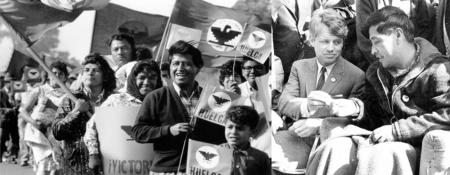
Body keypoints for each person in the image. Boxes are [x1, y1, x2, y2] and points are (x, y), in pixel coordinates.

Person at [307, 6, 450, 175]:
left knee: (380, 155)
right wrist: (351, 108)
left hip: (414, 147)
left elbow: (446, 115)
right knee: (333, 148)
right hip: (378, 141)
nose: (373, 51)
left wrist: (397, 131)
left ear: (398, 35)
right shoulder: (376, 71)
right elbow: (371, 110)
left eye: (376, 41)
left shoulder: (438, 70)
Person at [275, 8, 365, 171]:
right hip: (297, 138)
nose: (331, 48)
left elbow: (356, 119)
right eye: (325, 41)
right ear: (312, 40)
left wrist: (321, 124)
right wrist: (306, 106)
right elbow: (284, 102)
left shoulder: (356, 75)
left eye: (337, 42)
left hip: (330, 142)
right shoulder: (299, 67)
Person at [132, 40, 226, 174]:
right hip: (167, 170)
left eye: (187, 64)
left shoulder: (211, 98)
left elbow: (221, 134)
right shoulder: (155, 97)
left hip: (203, 169)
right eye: (175, 63)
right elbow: (138, 132)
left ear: (197, 68)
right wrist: (168, 130)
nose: (180, 68)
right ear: (170, 67)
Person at [84, 60, 163, 172]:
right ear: (133, 79)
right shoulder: (117, 100)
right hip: (119, 167)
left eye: (152, 77)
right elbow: (91, 127)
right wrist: (94, 155)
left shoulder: (163, 102)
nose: (147, 82)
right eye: (142, 77)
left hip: (153, 167)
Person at [52, 53, 116, 175]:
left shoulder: (114, 99)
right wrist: (75, 112)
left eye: (95, 70)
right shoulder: (71, 99)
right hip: (76, 167)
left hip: (108, 165)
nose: (90, 73)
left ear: (105, 76)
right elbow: (57, 132)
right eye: (86, 70)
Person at [20, 61, 69, 175]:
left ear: (65, 76)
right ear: (48, 75)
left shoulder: (68, 94)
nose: (56, 76)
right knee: (44, 164)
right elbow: (24, 112)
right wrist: (35, 123)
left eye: (60, 73)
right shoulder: (40, 90)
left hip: (55, 134)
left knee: (56, 168)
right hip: (38, 132)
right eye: (54, 73)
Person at [221, 105, 271, 175]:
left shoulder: (261, 158)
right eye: (229, 127)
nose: (233, 132)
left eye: (240, 128)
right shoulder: (215, 152)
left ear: (253, 132)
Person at [0, 74, 19, 164]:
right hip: (4, 120)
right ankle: (2, 155)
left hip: (14, 119)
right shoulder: (1, 92)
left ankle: (13, 156)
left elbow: (19, 105)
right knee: (3, 138)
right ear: (6, 82)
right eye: (11, 81)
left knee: (15, 138)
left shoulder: (16, 92)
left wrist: (15, 104)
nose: (13, 83)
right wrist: (7, 109)